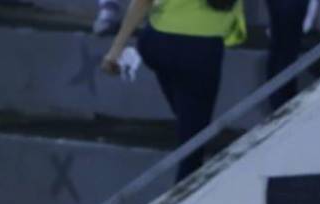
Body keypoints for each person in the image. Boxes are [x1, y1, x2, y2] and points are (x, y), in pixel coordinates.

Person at [100, 0, 247, 181]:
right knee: (192, 146)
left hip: (158, 42)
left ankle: (189, 127)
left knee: (190, 122)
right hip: (200, 47)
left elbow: (142, 2)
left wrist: (115, 49)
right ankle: (186, 199)